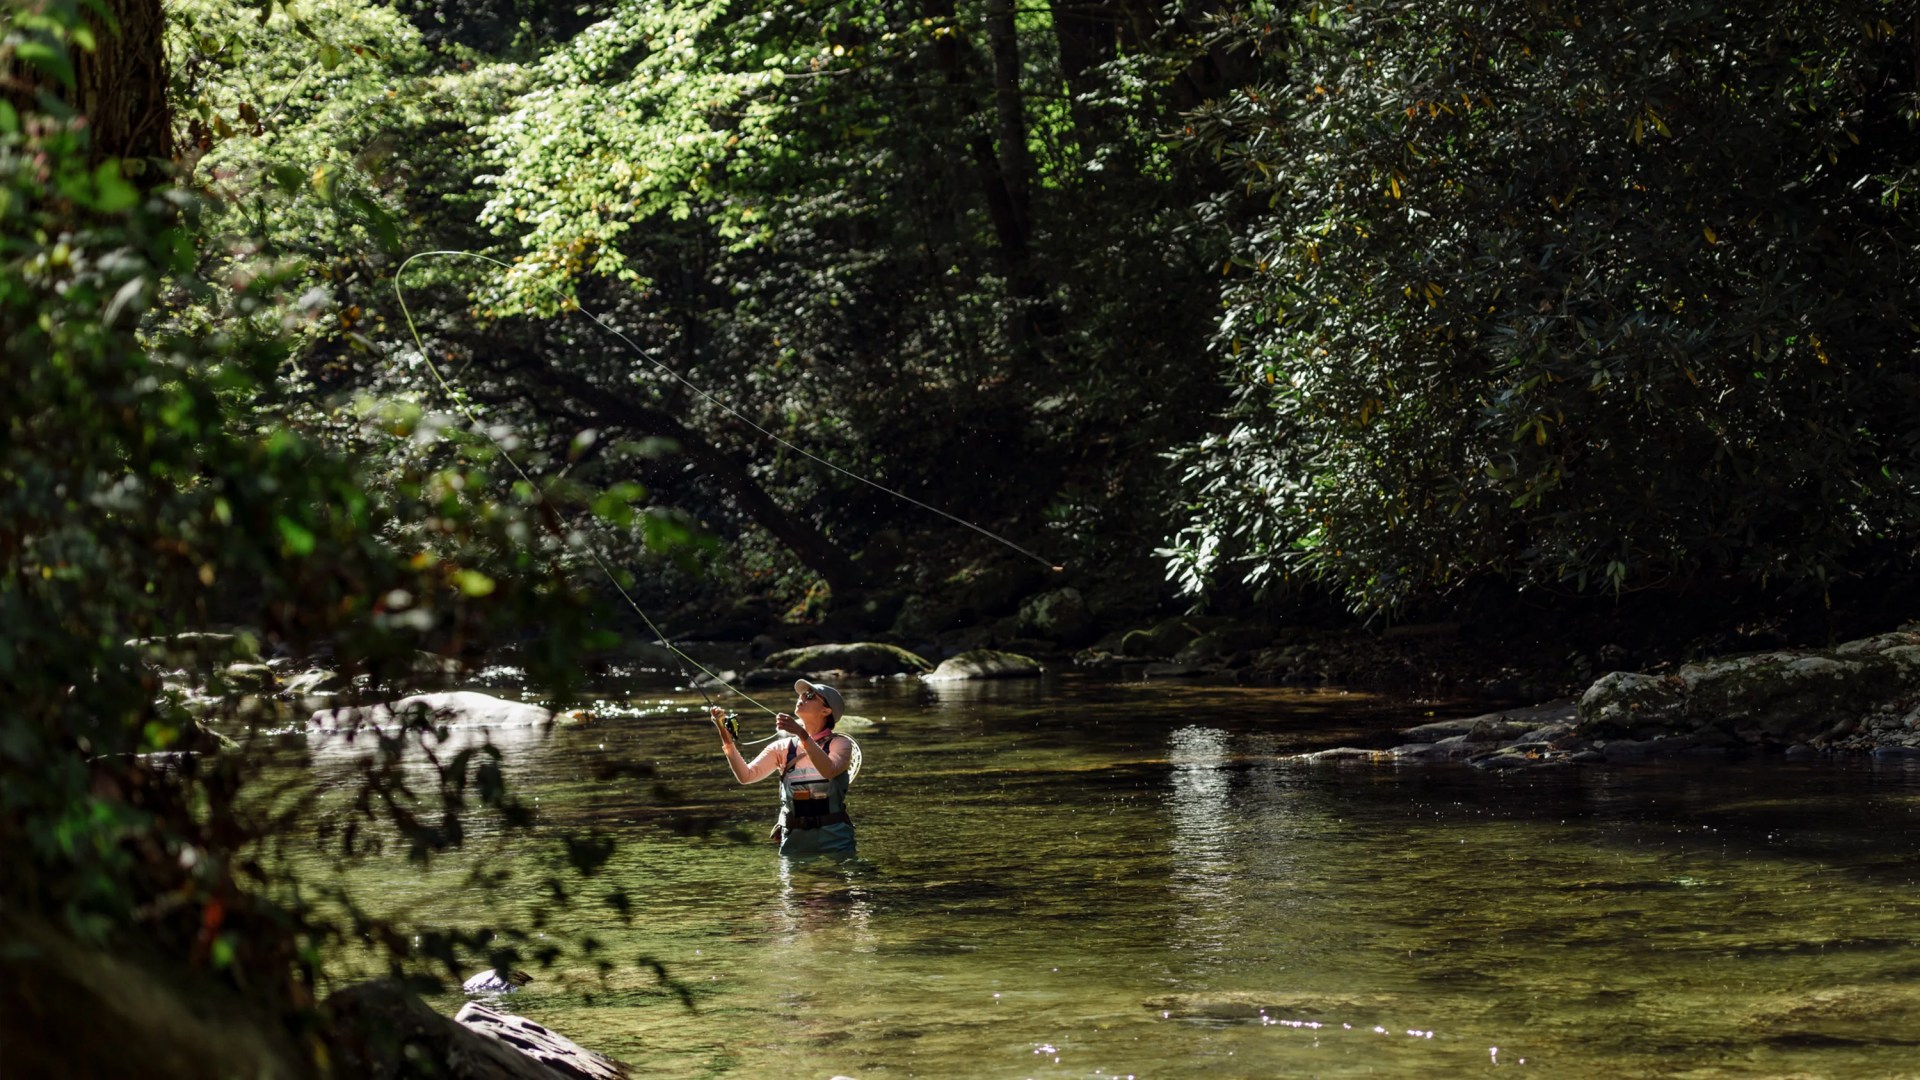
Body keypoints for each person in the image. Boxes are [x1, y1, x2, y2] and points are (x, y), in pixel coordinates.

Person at [710, 679, 856, 856]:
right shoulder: (782, 748)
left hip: (836, 840)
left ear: (826, 711)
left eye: (810, 695)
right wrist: (725, 737)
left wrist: (801, 734)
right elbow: (746, 776)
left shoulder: (841, 744)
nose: (801, 697)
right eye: (801, 694)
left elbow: (829, 770)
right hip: (793, 843)